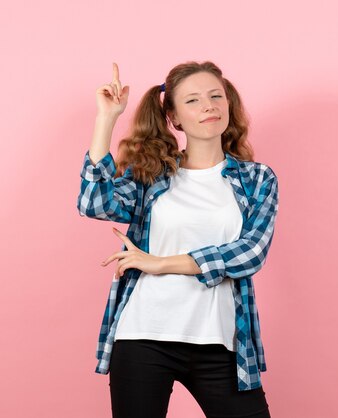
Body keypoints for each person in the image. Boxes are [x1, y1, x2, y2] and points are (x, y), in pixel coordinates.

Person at [77, 61, 279, 418]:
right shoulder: (152, 175)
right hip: (144, 335)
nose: (209, 106)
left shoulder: (257, 179)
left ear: (228, 104)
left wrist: (161, 263)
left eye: (216, 96)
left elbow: (251, 253)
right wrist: (106, 119)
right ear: (174, 117)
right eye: (193, 100)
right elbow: (93, 203)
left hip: (221, 341)